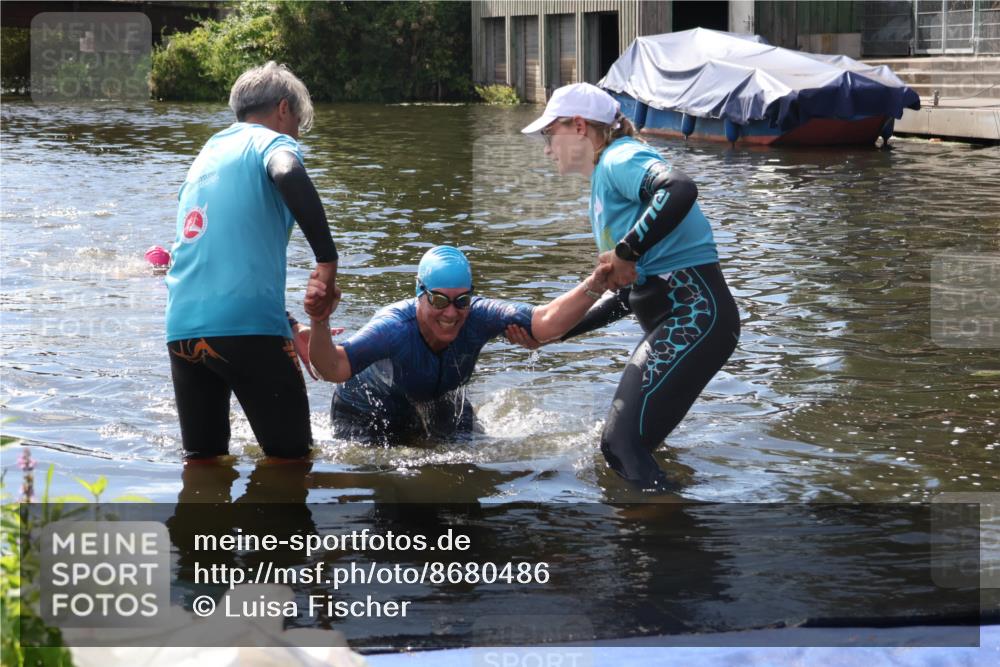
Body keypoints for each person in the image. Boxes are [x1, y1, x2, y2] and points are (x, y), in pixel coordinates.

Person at [515, 82, 741, 491]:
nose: (547, 149)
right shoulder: (603, 186)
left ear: (579, 126)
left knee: (618, 444)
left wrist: (627, 249)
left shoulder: (619, 157)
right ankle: (678, 521)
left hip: (695, 316)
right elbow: (626, 297)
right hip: (686, 321)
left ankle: (658, 524)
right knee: (633, 447)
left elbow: (679, 188)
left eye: (550, 134)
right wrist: (555, 333)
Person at [165, 61, 341, 462]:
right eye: (297, 123)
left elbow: (215, 254)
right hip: (248, 329)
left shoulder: (206, 156)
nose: (296, 134)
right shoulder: (269, 142)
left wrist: (288, 324)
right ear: (283, 109)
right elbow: (288, 171)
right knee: (292, 462)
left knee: (203, 462)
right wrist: (327, 261)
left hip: (183, 330)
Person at [304, 245, 611, 442]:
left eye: (461, 300)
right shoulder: (393, 329)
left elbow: (545, 323)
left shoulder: (479, 317)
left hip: (438, 399)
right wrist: (319, 320)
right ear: (420, 293)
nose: (451, 313)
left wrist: (596, 284)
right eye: (439, 300)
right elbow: (333, 367)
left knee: (470, 455)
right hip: (366, 411)